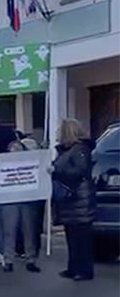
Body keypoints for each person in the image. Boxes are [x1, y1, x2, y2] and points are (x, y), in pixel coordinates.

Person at [51, 118, 97, 281]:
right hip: (71, 201)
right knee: (72, 236)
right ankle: (73, 267)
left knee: (81, 238)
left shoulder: (79, 150)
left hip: (79, 200)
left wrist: (56, 170)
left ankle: (84, 270)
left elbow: (79, 171)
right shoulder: (66, 151)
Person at [0, 140, 42, 274]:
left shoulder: (29, 164)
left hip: (26, 200)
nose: (15, 152)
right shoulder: (3, 164)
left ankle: (30, 259)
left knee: (29, 229)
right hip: (10, 200)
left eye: (18, 150)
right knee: (9, 230)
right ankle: (8, 260)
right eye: (12, 150)